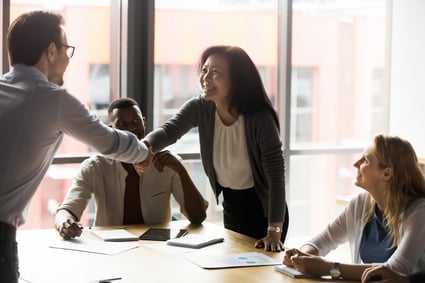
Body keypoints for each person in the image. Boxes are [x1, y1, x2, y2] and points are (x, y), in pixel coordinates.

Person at [0, 11, 151, 282]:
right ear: (50, 51)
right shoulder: (51, 99)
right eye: (67, 49)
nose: (69, 58)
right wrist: (143, 151)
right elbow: (110, 141)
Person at [143, 45, 288, 252]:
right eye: (204, 70)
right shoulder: (200, 106)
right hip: (231, 206)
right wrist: (144, 148)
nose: (206, 77)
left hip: (264, 212)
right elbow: (170, 131)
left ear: (237, 81)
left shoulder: (260, 118)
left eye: (216, 72)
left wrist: (274, 230)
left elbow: (276, 176)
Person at [55, 98, 208, 239]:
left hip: (156, 250)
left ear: (144, 123)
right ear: (110, 129)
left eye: (136, 121)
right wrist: (65, 223)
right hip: (110, 251)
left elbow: (198, 217)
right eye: (122, 123)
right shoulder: (94, 167)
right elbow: (67, 210)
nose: (132, 128)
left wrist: (181, 171)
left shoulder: (167, 163)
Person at [283, 135, 425, 280]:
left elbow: (392, 270)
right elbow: (322, 241)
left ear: (387, 173)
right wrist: (300, 257)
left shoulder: (419, 213)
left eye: (365, 160)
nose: (356, 163)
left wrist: (329, 268)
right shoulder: (360, 204)